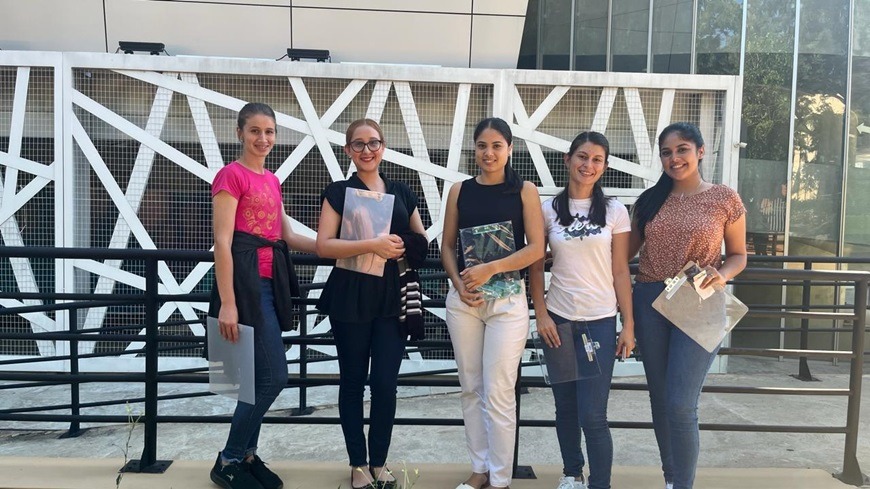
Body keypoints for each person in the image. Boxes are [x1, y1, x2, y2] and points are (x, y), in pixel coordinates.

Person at [629, 122, 747, 489]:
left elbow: (739, 255)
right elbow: (622, 253)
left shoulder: (724, 198)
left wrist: (722, 275)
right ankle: (671, 479)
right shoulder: (649, 201)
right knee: (661, 399)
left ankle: (683, 485)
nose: (674, 158)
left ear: (700, 151)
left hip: (699, 299)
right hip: (650, 300)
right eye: (667, 152)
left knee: (681, 402)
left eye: (681, 149)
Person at [315, 118, 427, 489]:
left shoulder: (403, 191)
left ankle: (379, 462)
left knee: (385, 383)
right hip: (350, 296)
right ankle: (358, 464)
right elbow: (324, 245)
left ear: (384, 147)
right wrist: (371, 244)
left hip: (392, 298)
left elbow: (421, 243)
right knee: (351, 383)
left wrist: (397, 244)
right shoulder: (338, 192)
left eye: (373, 143)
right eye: (358, 144)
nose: (367, 150)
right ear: (348, 150)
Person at [209, 102, 316, 489]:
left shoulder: (271, 180)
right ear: (240, 133)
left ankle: (247, 455)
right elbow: (222, 242)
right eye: (255, 131)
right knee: (275, 378)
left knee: (258, 379)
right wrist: (229, 303)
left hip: (272, 285)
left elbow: (287, 236)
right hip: (245, 287)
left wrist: (346, 245)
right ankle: (230, 458)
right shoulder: (230, 176)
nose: (263, 138)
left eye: (269, 131)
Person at [441, 117, 545, 489]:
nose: (489, 153)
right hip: (465, 300)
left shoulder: (524, 191)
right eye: (482, 146)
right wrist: (458, 281)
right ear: (475, 148)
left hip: (507, 301)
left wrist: (491, 268)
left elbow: (537, 248)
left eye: (497, 145)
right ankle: (479, 469)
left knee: (499, 389)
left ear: (509, 149)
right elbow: (447, 246)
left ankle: (500, 479)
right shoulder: (459, 190)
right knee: (471, 387)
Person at [529, 131, 635, 489]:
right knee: (566, 409)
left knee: (593, 414)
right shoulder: (547, 210)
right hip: (558, 321)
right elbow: (533, 266)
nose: (588, 165)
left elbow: (621, 270)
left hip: (601, 322)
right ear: (568, 160)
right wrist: (541, 314)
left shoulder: (615, 211)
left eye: (596, 160)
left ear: (603, 167)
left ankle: (599, 483)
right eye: (582, 157)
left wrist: (628, 325)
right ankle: (572, 473)